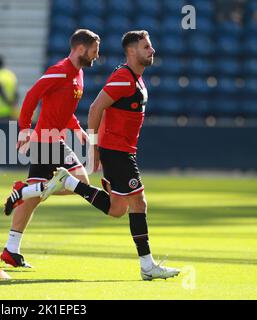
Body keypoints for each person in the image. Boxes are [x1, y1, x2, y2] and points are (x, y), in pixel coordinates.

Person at [42, 30, 180, 281]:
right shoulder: (124, 78)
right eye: (146, 47)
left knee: (117, 209)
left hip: (121, 150)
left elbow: (107, 111)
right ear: (131, 51)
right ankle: (147, 265)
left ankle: (69, 182)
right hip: (117, 152)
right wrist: (95, 148)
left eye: (151, 46)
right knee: (139, 203)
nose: (152, 51)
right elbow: (96, 107)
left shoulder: (136, 79)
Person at [0, 29, 100, 268]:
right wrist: (24, 128)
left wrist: (77, 130)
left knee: (35, 197)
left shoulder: (78, 74)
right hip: (46, 141)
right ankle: (24, 191)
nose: (97, 55)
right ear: (81, 49)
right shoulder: (59, 71)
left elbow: (63, 110)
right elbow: (32, 96)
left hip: (56, 140)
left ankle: (11, 247)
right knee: (78, 185)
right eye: (95, 50)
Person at [0, 55, 18, 120]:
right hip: (11, 111)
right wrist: (14, 104)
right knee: (11, 129)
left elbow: (0, 92)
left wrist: (8, 102)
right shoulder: (11, 75)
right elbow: (16, 92)